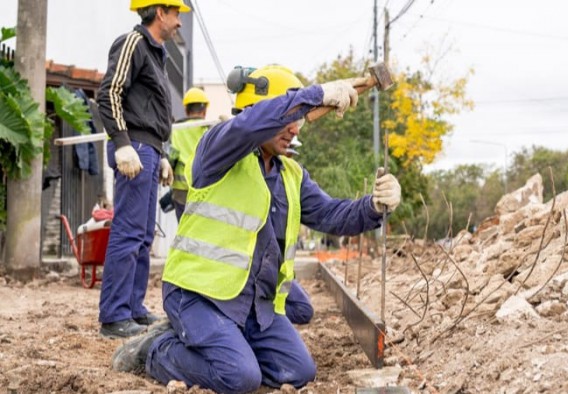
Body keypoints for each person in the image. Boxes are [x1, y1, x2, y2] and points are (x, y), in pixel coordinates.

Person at [111, 64, 402, 393]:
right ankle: (156, 350)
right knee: (239, 378)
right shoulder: (218, 149)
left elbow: (331, 215)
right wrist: (316, 94)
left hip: (254, 304)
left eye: (299, 121)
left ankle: (226, 345)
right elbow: (252, 125)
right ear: (254, 111)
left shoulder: (290, 174)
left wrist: (374, 206)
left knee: (298, 371)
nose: (294, 129)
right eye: (287, 119)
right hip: (198, 296)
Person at [95, 0, 189, 339]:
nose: (179, 21)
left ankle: (132, 308)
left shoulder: (157, 54)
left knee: (144, 235)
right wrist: (122, 143)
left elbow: (148, 108)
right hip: (133, 146)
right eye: (177, 13)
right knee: (129, 231)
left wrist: (160, 152)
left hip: (148, 148)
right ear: (160, 12)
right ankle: (114, 316)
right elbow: (109, 93)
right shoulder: (132, 43)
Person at [170, 87, 210, 221]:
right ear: (204, 111)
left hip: (180, 191)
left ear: (186, 110)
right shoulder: (209, 130)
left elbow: (172, 157)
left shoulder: (177, 129)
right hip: (203, 189)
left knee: (183, 230)